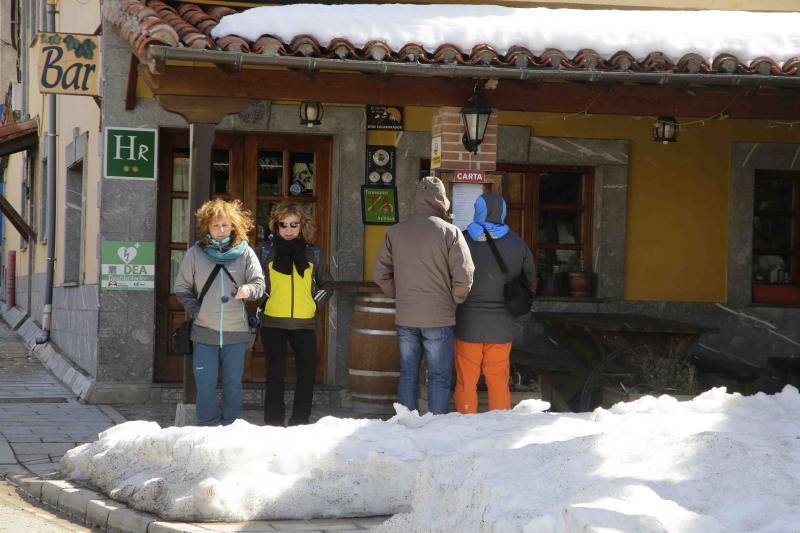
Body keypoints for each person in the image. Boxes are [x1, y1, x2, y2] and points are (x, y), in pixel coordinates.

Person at [373, 176, 474, 414]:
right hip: (439, 317)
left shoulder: (395, 231)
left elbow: (379, 272)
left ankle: (406, 425)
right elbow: (465, 274)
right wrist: (455, 300)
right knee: (438, 376)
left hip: (406, 316)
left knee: (408, 373)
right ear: (442, 200)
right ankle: (435, 427)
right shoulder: (451, 232)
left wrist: (398, 295)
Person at [174, 198, 265, 426]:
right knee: (205, 383)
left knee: (233, 383)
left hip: (236, 330)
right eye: (215, 225)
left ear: (233, 225)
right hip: (204, 330)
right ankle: (206, 427)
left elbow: (259, 284)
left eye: (225, 225)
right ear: (207, 227)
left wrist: (249, 290)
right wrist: (196, 310)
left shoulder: (245, 253)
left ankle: (232, 428)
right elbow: (182, 288)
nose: (221, 230)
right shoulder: (196, 253)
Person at [453, 192, 535, 414]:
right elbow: (530, 282)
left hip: (467, 323)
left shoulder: (462, 241)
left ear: (477, 211)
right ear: (503, 212)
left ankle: (465, 420)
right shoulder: (518, 244)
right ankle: (499, 421)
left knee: (466, 380)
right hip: (502, 326)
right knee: (498, 379)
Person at [259, 202, 334, 426]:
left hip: (304, 323)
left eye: (294, 224)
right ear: (276, 225)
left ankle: (300, 420)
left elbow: (327, 285)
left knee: (307, 374)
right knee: (275, 375)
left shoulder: (314, 253)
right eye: (284, 225)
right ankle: (273, 422)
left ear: (302, 226)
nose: (289, 229)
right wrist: (264, 301)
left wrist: (313, 304)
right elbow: (257, 283)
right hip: (273, 322)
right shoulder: (265, 251)